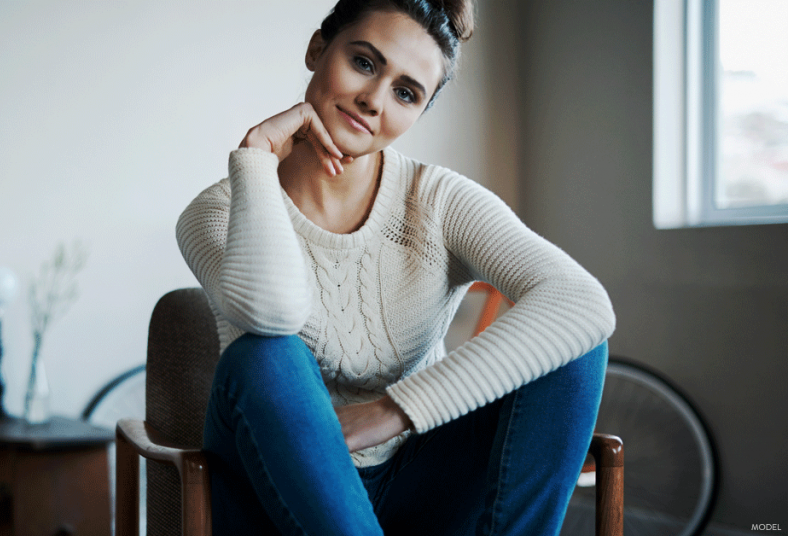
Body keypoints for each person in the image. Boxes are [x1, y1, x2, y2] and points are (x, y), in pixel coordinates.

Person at [175, 0, 615, 534]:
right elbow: (269, 316)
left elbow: (582, 303)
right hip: (278, 490)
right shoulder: (215, 212)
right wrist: (257, 160)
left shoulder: (436, 200)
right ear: (318, 49)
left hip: (420, 479)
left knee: (573, 344)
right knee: (264, 354)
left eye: (406, 93)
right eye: (363, 63)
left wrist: (391, 412)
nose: (373, 100)